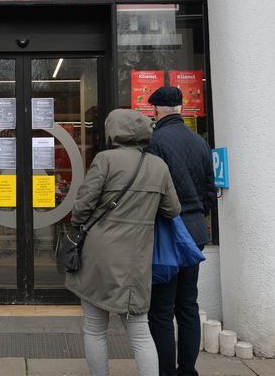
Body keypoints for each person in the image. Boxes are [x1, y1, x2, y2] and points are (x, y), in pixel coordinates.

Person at [66, 108, 181, 376]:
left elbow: (83, 206)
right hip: (136, 257)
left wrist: (78, 223)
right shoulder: (158, 166)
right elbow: (172, 209)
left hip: (98, 255)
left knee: (94, 328)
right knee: (140, 330)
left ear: (112, 131)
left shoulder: (105, 160)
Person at [146, 86, 216, 376]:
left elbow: (152, 192)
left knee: (161, 309)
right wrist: (198, 216)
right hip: (194, 232)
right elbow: (210, 191)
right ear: (181, 108)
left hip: (168, 232)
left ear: (155, 111)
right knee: (188, 305)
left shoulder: (155, 142)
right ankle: (188, 370)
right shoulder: (200, 142)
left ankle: (166, 372)